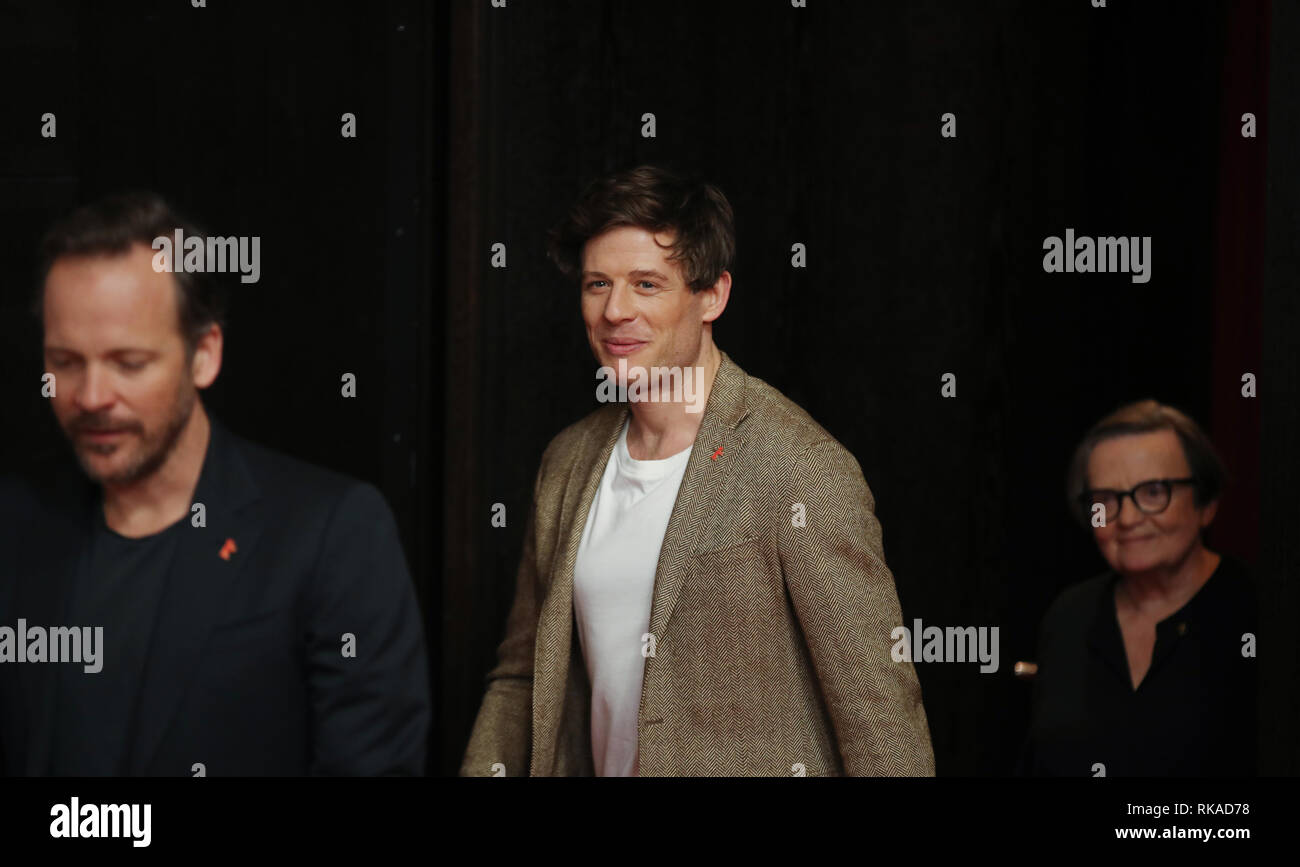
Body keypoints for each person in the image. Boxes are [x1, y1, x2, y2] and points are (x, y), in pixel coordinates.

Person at [460, 165, 934, 776]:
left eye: (647, 284)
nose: (615, 311)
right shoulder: (569, 461)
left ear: (712, 294)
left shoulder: (796, 464)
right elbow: (523, 676)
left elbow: (879, 716)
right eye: (597, 283)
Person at [0, 192, 430, 775]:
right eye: (66, 361)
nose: (91, 396)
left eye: (129, 363)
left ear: (204, 355)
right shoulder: (19, 524)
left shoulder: (332, 534)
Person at [1020, 400, 1258, 775]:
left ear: (1206, 503)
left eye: (1153, 493)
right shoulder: (1070, 616)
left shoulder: (1258, 610)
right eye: (1106, 500)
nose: (1128, 519)